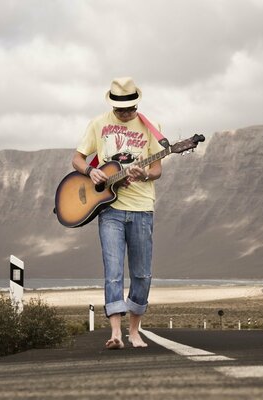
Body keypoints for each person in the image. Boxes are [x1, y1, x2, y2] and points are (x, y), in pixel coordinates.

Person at [72, 77, 164, 349]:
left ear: (137, 103)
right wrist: (91, 170)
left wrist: (145, 173)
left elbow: (157, 169)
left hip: (142, 208)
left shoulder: (151, 127)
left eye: (129, 109)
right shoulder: (98, 124)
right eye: (120, 109)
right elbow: (77, 158)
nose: (125, 114)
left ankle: (134, 330)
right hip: (110, 208)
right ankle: (115, 333)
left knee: (141, 273)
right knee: (113, 271)